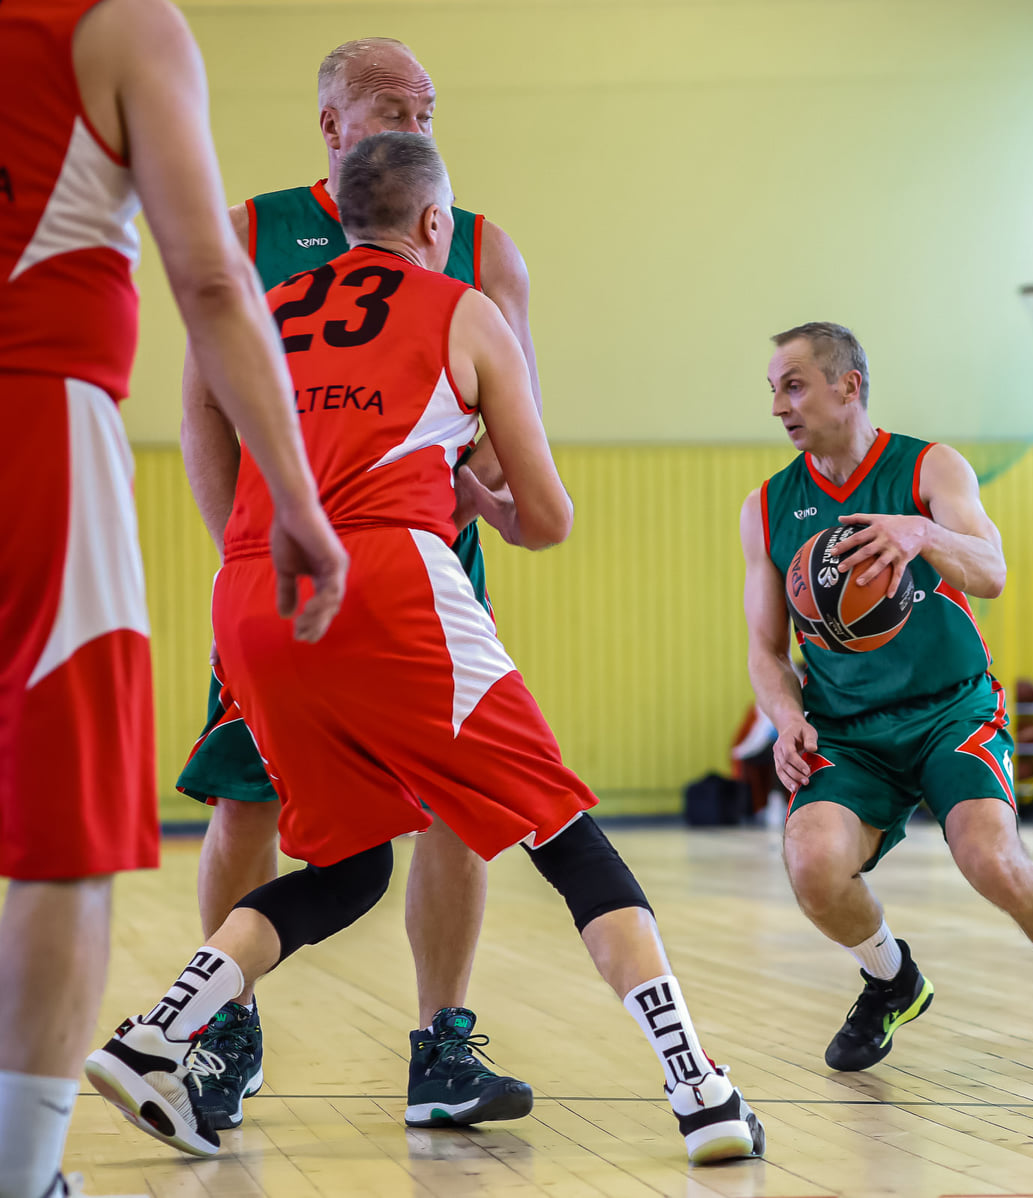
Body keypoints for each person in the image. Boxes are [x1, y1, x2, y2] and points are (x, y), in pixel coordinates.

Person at [85, 133, 765, 1166]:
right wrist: (479, 496)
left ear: (341, 215)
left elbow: (204, 421)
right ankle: (699, 1087)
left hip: (255, 592)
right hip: (390, 579)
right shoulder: (464, 308)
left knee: (349, 866)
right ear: (435, 223)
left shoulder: (265, 306)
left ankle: (157, 1034)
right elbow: (548, 517)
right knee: (562, 830)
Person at [0, 0, 346, 1193]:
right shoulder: (121, 26)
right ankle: (22, 1173)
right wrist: (293, 496)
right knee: (60, 838)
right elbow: (207, 277)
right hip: (36, 419)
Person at [174, 36, 544, 1131]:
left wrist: (435, 510)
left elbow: (510, 421)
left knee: (454, 803)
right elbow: (202, 406)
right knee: (247, 794)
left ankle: (442, 1045)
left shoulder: (480, 245)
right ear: (333, 125)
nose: (416, 124)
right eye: (392, 107)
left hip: (421, 560)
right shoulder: (250, 233)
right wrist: (243, 544)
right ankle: (222, 1029)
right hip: (279, 569)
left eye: (427, 108)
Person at [739, 323, 1033, 1081]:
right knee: (812, 865)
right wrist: (787, 719)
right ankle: (892, 980)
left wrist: (921, 533)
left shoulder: (929, 467)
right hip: (846, 731)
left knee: (993, 861)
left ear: (849, 386)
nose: (780, 406)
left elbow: (991, 570)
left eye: (794, 385)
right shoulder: (766, 508)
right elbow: (766, 650)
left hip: (950, 710)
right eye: (773, 390)